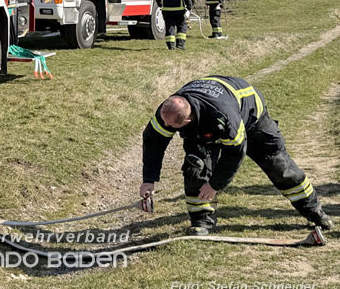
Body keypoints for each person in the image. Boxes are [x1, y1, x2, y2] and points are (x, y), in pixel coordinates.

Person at [140, 75, 333, 235]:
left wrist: (215, 185)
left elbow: (234, 153)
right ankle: (202, 222)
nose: (167, 128)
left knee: (279, 167)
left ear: (188, 119)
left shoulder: (224, 116)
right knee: (195, 167)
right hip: (206, 122)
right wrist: (149, 179)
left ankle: (315, 213)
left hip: (251, 119)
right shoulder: (169, 111)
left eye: (172, 126)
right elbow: (153, 141)